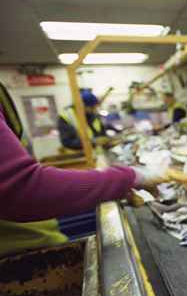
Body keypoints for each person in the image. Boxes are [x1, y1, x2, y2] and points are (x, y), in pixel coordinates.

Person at [0, 107, 165, 255]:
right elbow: (22, 187)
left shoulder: (90, 114)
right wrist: (129, 177)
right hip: (21, 253)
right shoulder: (69, 115)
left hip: (37, 232)